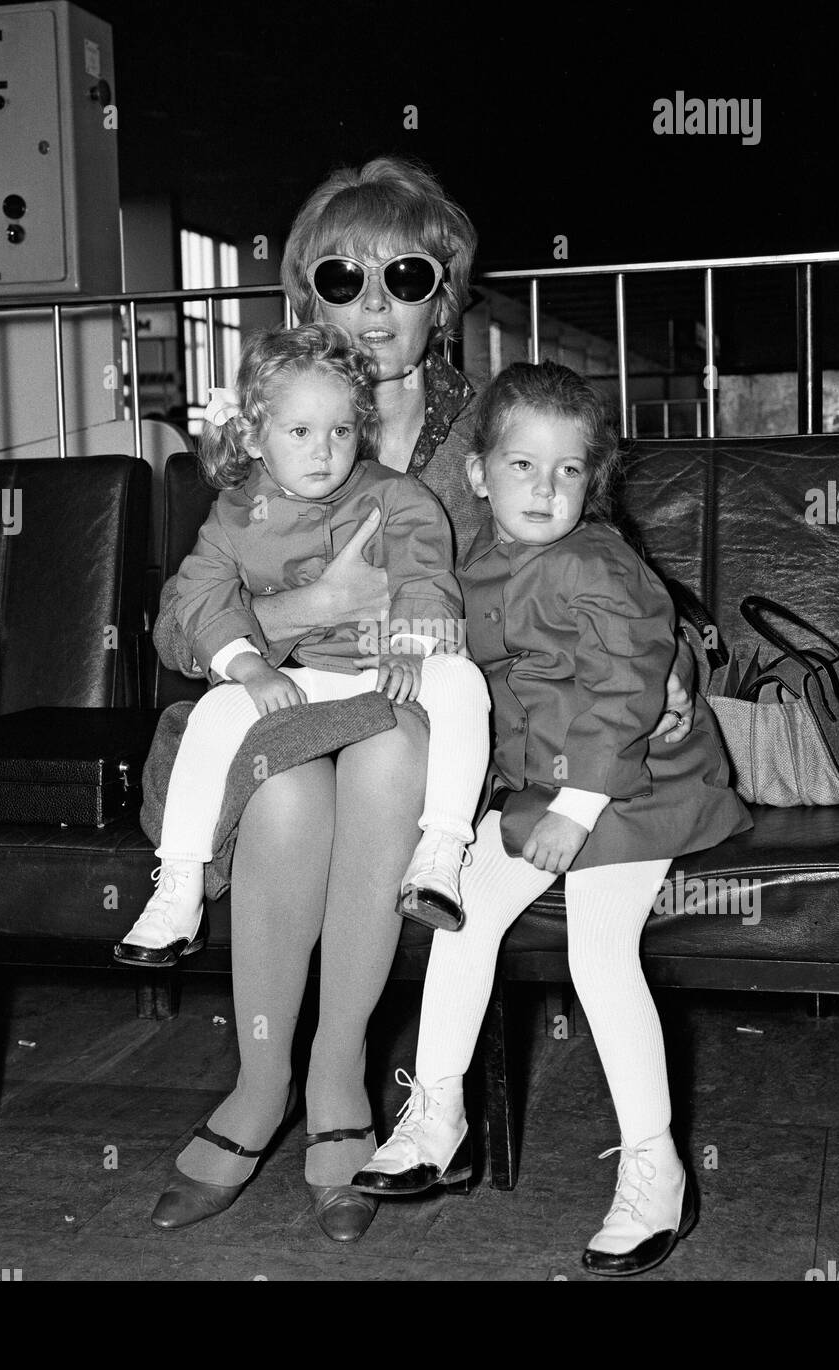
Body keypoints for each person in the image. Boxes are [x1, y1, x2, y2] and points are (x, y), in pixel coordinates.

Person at [146, 157, 698, 1245]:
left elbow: (606, 565)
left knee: (395, 746)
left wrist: (675, 656)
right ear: (306, 298)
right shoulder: (285, 429)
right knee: (294, 785)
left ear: (442, 297)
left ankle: (340, 1077)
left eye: (403, 275)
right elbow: (179, 621)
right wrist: (313, 600)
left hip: (440, 730)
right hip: (284, 714)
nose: (373, 304)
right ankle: (265, 1083)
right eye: (339, 279)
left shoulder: (487, 433)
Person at [351, 361, 752, 1277]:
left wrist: (578, 807)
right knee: (457, 913)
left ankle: (657, 1166)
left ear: (592, 481)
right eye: (522, 465)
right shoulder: (470, 566)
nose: (544, 487)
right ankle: (439, 1116)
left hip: (641, 788)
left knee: (596, 954)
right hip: (538, 794)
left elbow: (625, 690)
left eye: (568, 470)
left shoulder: (597, 563)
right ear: (480, 475)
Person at [114, 322, 490, 972]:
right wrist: (250, 666)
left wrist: (408, 646)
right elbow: (199, 602)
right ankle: (177, 885)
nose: (324, 452)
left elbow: (426, 575)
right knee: (212, 713)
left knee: (463, 682)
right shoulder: (233, 516)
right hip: (312, 678)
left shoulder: (396, 496)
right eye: (300, 433)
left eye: (341, 431)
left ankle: (441, 853)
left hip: (392, 677)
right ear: (256, 437)